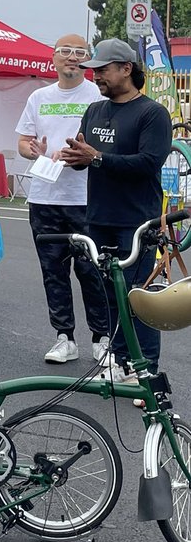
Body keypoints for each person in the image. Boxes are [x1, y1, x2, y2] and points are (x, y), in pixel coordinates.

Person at [60, 38, 173, 383]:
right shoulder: (95, 111)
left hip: (137, 221)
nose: (95, 77)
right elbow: (89, 158)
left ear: (127, 68)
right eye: (93, 71)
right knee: (108, 296)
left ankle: (146, 371)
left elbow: (148, 163)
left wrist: (95, 157)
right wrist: (77, 158)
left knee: (137, 299)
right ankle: (119, 363)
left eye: (103, 70)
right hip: (98, 217)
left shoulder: (153, 113)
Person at [15, 34, 110, 364]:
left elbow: (108, 143)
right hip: (44, 196)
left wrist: (83, 153)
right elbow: (24, 142)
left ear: (87, 59)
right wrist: (34, 151)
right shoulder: (39, 96)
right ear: (53, 58)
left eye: (79, 52)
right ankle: (64, 337)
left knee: (91, 270)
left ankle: (101, 338)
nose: (72, 57)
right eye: (65, 52)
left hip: (86, 198)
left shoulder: (98, 95)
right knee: (52, 270)